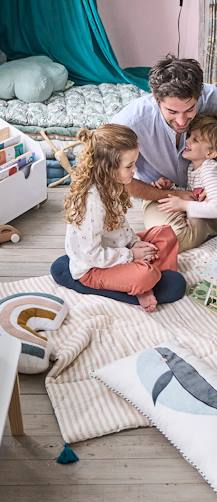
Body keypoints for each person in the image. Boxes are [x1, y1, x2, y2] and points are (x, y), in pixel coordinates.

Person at [64, 124, 182, 313]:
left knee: (166, 234)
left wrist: (134, 244)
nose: (134, 170)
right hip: (93, 268)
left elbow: (120, 226)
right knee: (145, 275)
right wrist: (131, 255)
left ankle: (147, 275)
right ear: (108, 168)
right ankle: (144, 284)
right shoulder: (91, 202)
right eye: (129, 166)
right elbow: (91, 255)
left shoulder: (113, 184)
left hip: (117, 250)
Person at [111, 55, 217, 251]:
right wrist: (172, 192)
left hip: (211, 188)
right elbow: (116, 178)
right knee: (172, 238)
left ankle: (208, 215)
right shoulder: (129, 122)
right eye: (172, 112)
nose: (182, 121)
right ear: (156, 99)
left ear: (199, 95)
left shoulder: (211, 97)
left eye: (190, 109)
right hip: (161, 195)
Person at [156, 115, 217, 232]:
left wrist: (183, 205)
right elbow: (193, 194)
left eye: (195, 140)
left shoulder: (209, 169)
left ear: (210, 153)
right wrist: (170, 187)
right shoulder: (192, 168)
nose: (187, 141)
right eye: (189, 136)